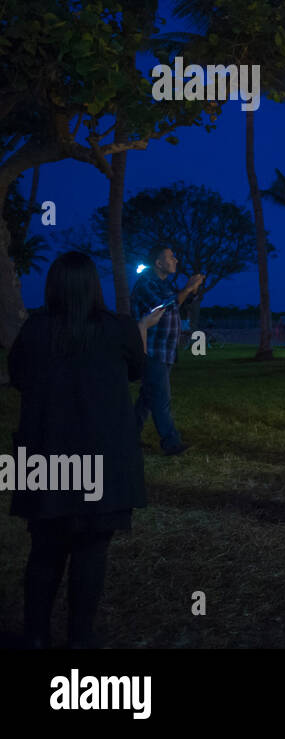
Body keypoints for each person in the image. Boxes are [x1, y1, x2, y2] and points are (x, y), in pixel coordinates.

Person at [8, 252, 160, 648]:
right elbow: (136, 370)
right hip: (103, 460)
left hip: (48, 457)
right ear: (95, 286)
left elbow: (19, 377)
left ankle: (36, 636)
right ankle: (80, 637)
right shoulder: (118, 329)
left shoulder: (35, 331)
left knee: (44, 550)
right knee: (92, 551)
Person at [130, 243, 204, 456]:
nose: (176, 261)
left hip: (164, 350)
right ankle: (171, 443)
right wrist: (188, 287)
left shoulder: (164, 284)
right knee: (161, 398)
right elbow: (164, 306)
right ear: (158, 263)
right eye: (171, 257)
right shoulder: (146, 284)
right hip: (152, 350)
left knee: (147, 396)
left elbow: (177, 302)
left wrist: (192, 291)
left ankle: (129, 436)